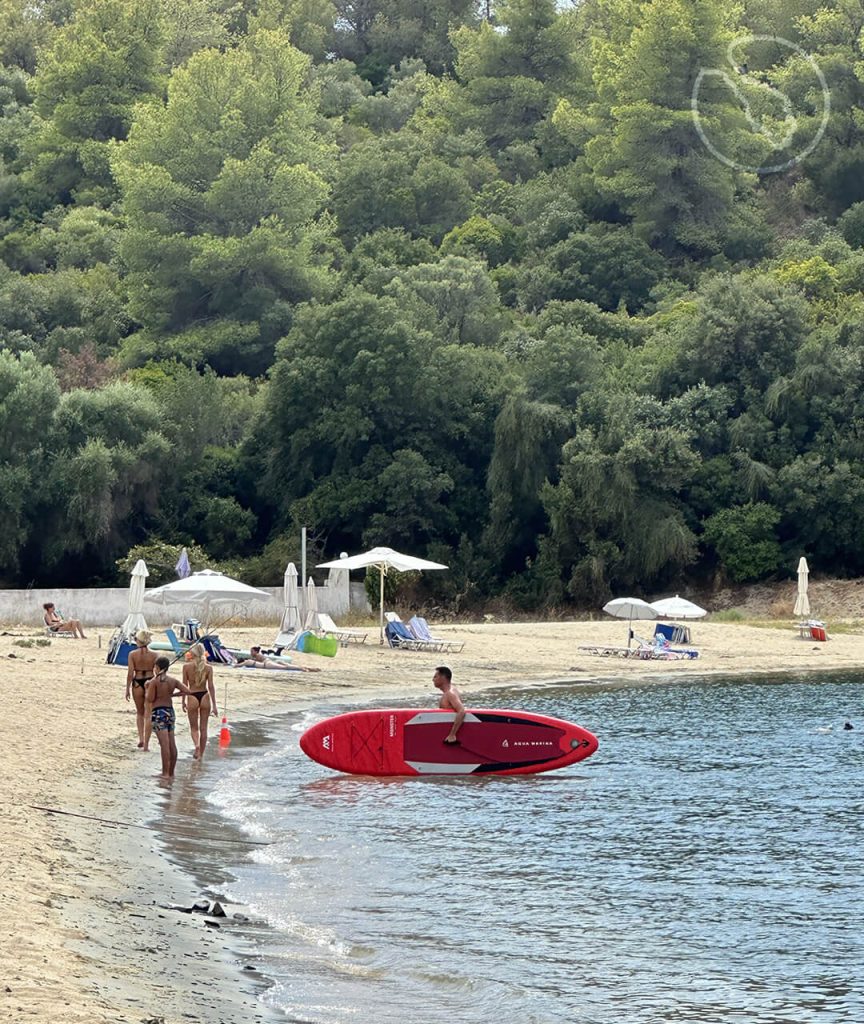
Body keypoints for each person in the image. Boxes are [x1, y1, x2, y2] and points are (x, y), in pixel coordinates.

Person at [145, 656, 192, 780]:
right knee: (172, 743)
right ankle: (171, 773)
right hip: (170, 712)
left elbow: (150, 699)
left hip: (159, 712)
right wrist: (173, 694)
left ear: (158, 667)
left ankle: (165, 773)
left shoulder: (154, 681)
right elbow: (187, 691)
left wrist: (147, 687)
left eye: (155, 667)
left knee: (164, 745)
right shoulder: (173, 680)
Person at [182, 643, 217, 761]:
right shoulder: (208, 668)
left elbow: (184, 686)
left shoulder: (186, 667)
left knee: (194, 728)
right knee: (204, 728)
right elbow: (211, 686)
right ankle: (200, 755)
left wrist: (183, 701)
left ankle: (196, 745)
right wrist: (214, 705)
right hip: (205, 696)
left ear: (192, 653)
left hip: (192, 695)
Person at [126, 629, 158, 750]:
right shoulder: (155, 655)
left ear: (138, 641)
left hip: (137, 682)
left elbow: (130, 673)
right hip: (150, 681)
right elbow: (157, 672)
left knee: (140, 712)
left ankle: (141, 739)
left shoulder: (132, 654)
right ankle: (147, 743)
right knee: (148, 714)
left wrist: (127, 689)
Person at [433, 666, 465, 744]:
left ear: (443, 677)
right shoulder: (451, 691)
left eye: (435, 677)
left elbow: (461, 711)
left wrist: (452, 734)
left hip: (449, 737)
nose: (433, 679)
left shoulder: (450, 693)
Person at [238, 646, 321, 672]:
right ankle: (310, 668)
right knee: (289, 666)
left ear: (256, 651)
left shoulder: (257, 656)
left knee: (286, 668)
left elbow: (252, 662)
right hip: (271, 662)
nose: (250, 653)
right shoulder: (256, 657)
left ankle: (304, 669)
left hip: (268, 664)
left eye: (251, 651)